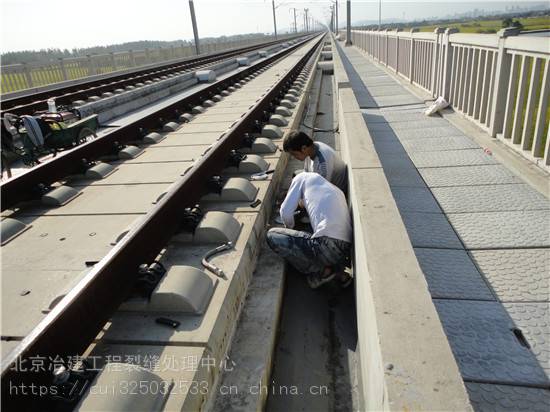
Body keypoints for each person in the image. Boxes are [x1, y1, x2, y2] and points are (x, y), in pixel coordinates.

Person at [266, 172, 352, 289]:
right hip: (345, 250)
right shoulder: (331, 189)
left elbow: (285, 213)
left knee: (272, 234)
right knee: (313, 233)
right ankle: (340, 273)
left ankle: (322, 271)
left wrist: (289, 229)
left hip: (327, 245)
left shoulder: (301, 178)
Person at [283, 130, 348, 195]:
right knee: (296, 177)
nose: (293, 157)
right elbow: (306, 173)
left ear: (304, 148)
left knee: (300, 199)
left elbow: (321, 190)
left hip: (335, 191)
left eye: (294, 154)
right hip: (323, 182)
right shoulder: (311, 148)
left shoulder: (322, 163)